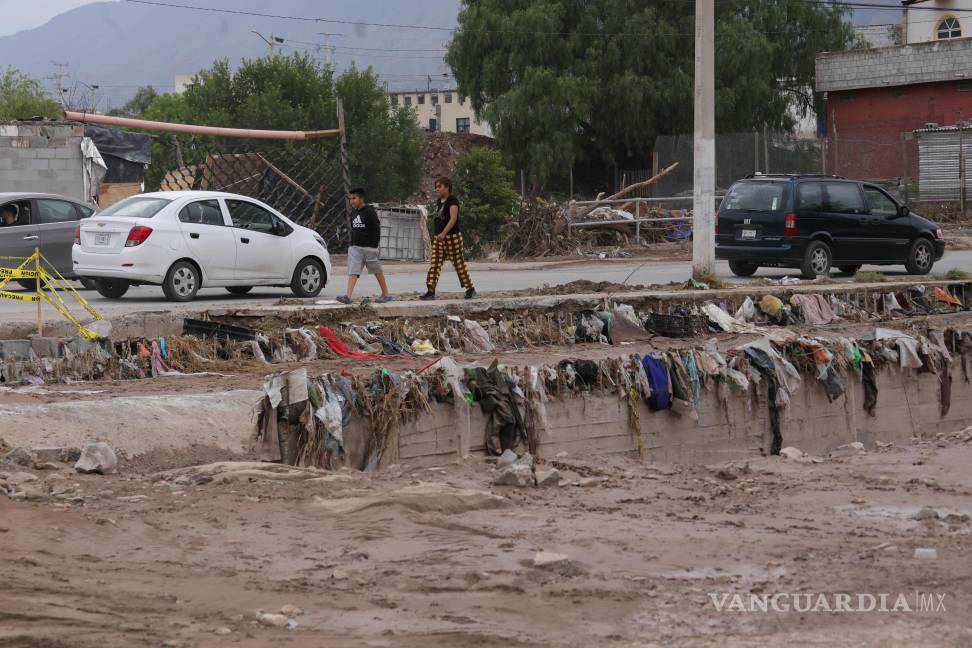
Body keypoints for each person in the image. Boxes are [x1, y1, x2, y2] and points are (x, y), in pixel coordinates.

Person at [421, 176, 475, 300]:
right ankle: (430, 291)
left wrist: (444, 233)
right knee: (435, 264)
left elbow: (453, 219)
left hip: (452, 238)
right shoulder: (439, 202)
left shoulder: (452, 200)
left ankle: (470, 289)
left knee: (458, 264)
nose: (437, 189)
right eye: (436, 187)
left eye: (439, 186)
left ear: (447, 187)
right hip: (439, 239)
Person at [337, 188, 392, 305]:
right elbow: (353, 229)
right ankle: (348, 296)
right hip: (355, 248)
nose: (351, 201)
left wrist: (373, 245)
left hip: (369, 248)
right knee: (353, 271)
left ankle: (386, 294)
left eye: (354, 198)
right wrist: (352, 244)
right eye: (350, 198)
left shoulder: (369, 211)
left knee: (377, 270)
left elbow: (376, 229)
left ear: (361, 199)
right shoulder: (353, 213)